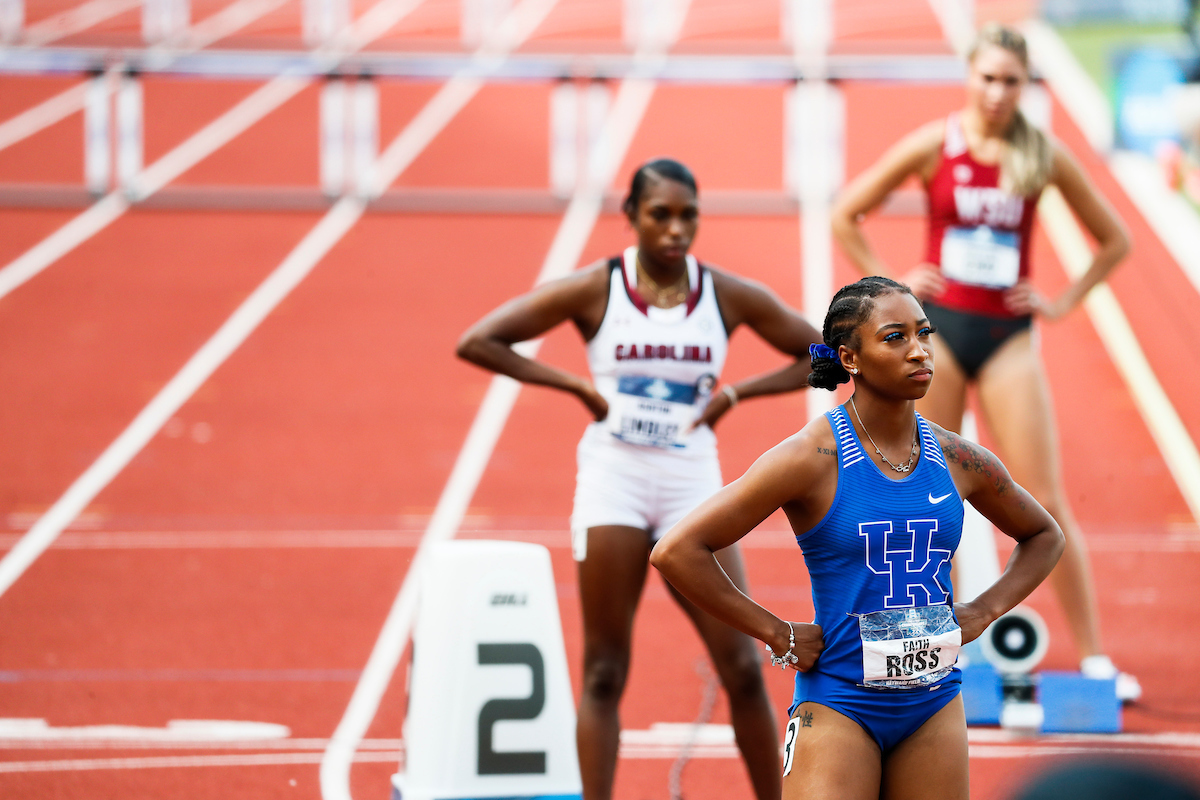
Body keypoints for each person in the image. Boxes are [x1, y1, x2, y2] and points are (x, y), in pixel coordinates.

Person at [456, 158, 823, 800]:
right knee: (603, 670)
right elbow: (480, 340)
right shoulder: (596, 289)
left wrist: (737, 392)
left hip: (692, 484)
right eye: (661, 215)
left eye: (689, 216)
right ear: (630, 217)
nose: (676, 230)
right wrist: (572, 383)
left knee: (740, 665)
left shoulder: (725, 295)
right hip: (614, 480)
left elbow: (823, 357)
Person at [650, 276, 1065, 799]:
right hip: (841, 702)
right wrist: (776, 632)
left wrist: (984, 610)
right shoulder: (812, 456)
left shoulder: (959, 458)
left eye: (924, 333)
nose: (919, 352)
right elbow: (677, 550)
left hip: (933, 704)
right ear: (850, 358)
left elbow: (1044, 534)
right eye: (895, 337)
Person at [830, 22, 1138, 698]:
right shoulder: (934, 146)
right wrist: (892, 290)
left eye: (1011, 82)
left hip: (1007, 341)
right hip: (935, 340)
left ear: (1026, 87)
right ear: (970, 76)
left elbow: (1114, 240)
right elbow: (845, 213)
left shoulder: (1040, 154)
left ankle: (1093, 660)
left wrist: (1060, 301)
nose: (998, 93)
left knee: (1045, 497)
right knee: (926, 496)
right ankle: (931, 644)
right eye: (988, 78)